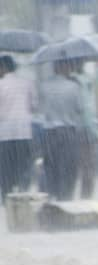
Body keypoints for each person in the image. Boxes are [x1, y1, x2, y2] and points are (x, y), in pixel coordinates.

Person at [38, 59, 87, 201]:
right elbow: (80, 109)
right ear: (65, 67)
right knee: (69, 168)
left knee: (51, 168)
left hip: (49, 134)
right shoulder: (74, 87)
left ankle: (52, 197)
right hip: (68, 132)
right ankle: (65, 199)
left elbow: (40, 108)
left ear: (54, 68)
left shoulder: (44, 86)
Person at [0, 55, 36, 203]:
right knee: (23, 167)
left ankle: (7, 199)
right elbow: (33, 106)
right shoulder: (27, 83)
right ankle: (23, 197)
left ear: (3, 67)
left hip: (4, 134)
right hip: (24, 132)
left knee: (5, 170)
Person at [71, 58, 98, 199]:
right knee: (88, 167)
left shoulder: (75, 80)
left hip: (73, 130)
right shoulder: (83, 82)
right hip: (84, 131)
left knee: (77, 167)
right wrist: (97, 134)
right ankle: (86, 197)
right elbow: (87, 111)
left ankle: (69, 196)